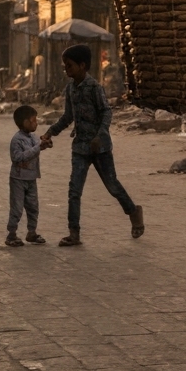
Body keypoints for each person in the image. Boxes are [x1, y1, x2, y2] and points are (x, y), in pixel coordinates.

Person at [44, 44, 143, 247]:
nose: (66, 70)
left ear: (82, 65)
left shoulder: (95, 88)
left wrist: (100, 135)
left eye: (69, 66)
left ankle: (134, 212)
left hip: (100, 148)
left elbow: (106, 112)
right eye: (65, 66)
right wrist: (50, 132)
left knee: (112, 186)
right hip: (80, 146)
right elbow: (68, 117)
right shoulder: (70, 89)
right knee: (74, 190)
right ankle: (74, 233)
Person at [6, 104, 53, 246]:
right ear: (25, 122)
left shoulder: (32, 137)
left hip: (31, 178)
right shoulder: (17, 140)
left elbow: (37, 148)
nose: (36, 123)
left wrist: (45, 144)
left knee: (33, 206)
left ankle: (31, 232)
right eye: (33, 120)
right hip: (18, 179)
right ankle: (11, 234)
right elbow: (18, 157)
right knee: (17, 207)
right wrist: (38, 147)